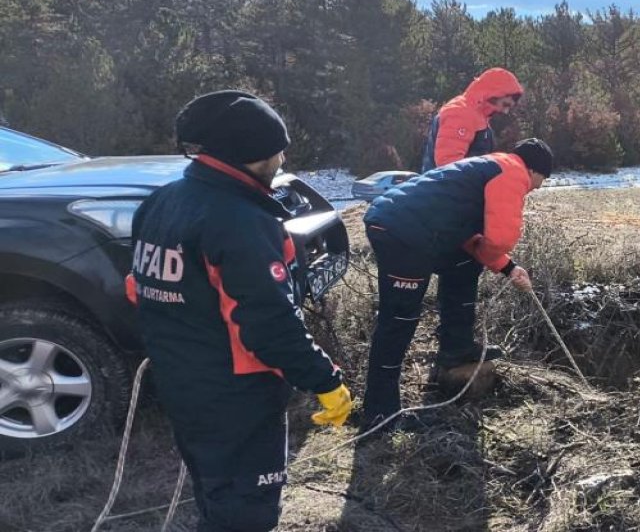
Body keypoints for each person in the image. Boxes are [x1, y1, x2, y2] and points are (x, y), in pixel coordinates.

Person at [128, 90, 350, 532]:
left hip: (183, 385)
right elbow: (268, 324)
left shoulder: (162, 201)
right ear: (252, 154)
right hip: (237, 399)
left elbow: (139, 289)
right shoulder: (239, 221)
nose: (283, 158)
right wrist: (325, 381)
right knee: (246, 512)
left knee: (216, 496)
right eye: (278, 150)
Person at [360, 138, 553, 432]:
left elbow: (465, 236)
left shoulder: (490, 166)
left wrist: (509, 268)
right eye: (542, 179)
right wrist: (499, 256)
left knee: (464, 263)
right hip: (402, 231)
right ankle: (380, 414)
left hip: (403, 222)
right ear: (535, 170)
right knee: (399, 319)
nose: (538, 187)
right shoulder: (512, 173)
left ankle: (456, 347)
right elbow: (499, 239)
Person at [421, 67, 524, 172]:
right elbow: (448, 165)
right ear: (493, 95)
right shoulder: (461, 113)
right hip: (446, 182)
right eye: (505, 104)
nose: (505, 111)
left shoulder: (479, 116)